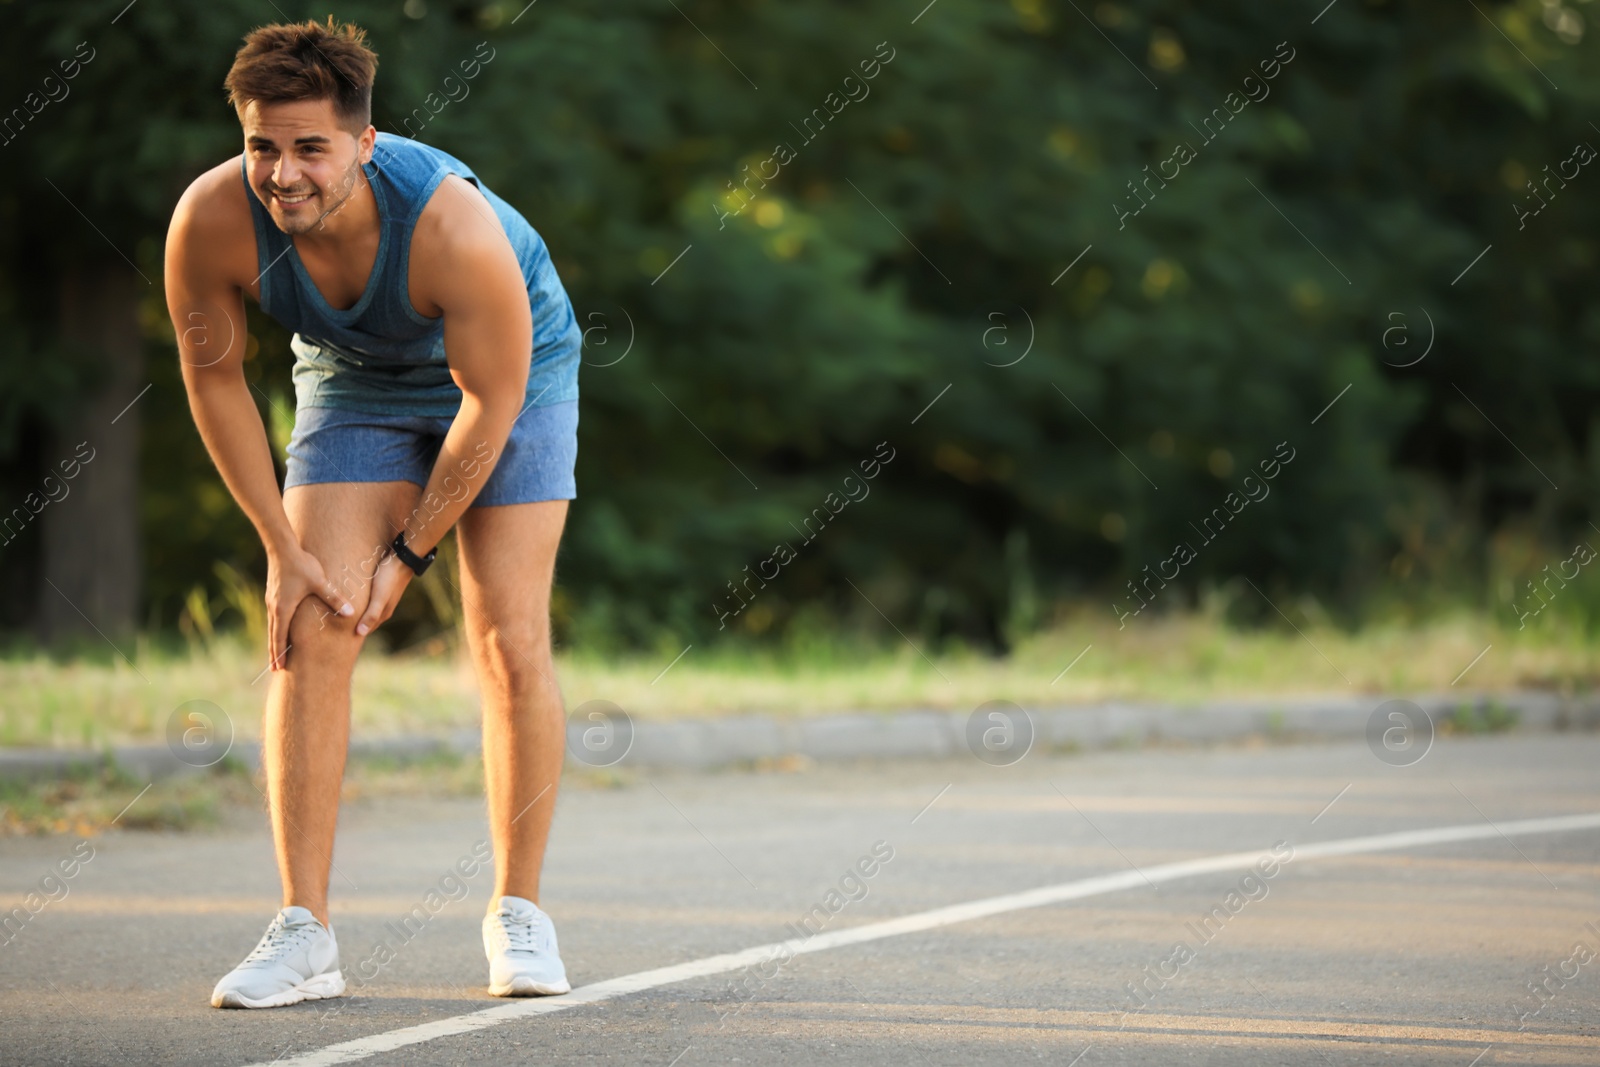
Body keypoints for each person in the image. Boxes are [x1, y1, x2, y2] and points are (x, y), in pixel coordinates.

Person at [163, 18, 579, 1008]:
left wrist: (407, 553)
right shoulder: (212, 218)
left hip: (507, 379)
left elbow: (490, 400)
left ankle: (519, 910)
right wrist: (278, 545)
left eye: (310, 147)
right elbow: (214, 379)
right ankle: (304, 927)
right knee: (311, 627)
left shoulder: (451, 229)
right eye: (264, 144)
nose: (283, 173)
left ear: (364, 140)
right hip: (353, 381)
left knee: (506, 634)